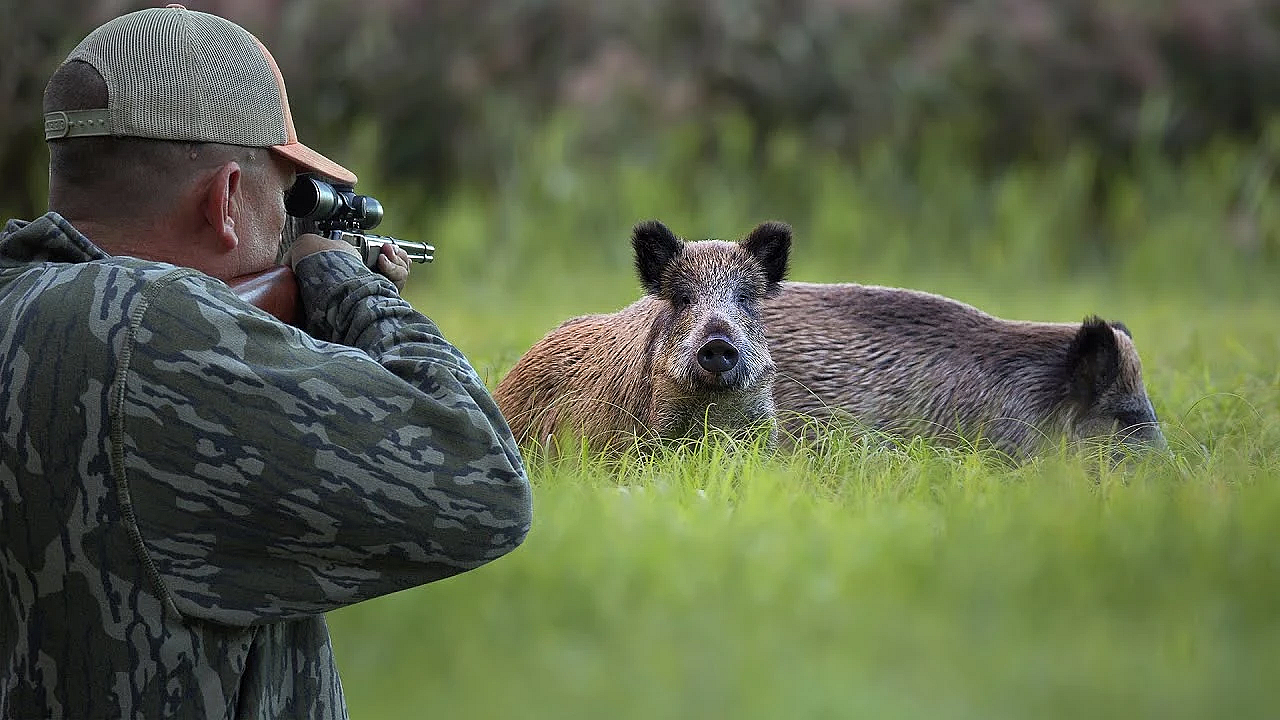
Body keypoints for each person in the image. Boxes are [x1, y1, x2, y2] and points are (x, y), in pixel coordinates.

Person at [0, 5, 532, 719]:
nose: (288, 227)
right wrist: (353, 289)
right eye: (287, 202)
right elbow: (484, 481)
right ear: (225, 200)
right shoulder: (160, 331)